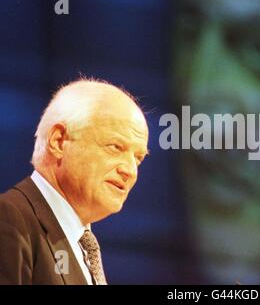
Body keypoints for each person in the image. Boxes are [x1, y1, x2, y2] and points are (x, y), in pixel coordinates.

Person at [0, 79, 149, 285]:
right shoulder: (8, 221)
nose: (130, 171)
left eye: (138, 158)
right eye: (115, 147)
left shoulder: (81, 243)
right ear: (59, 141)